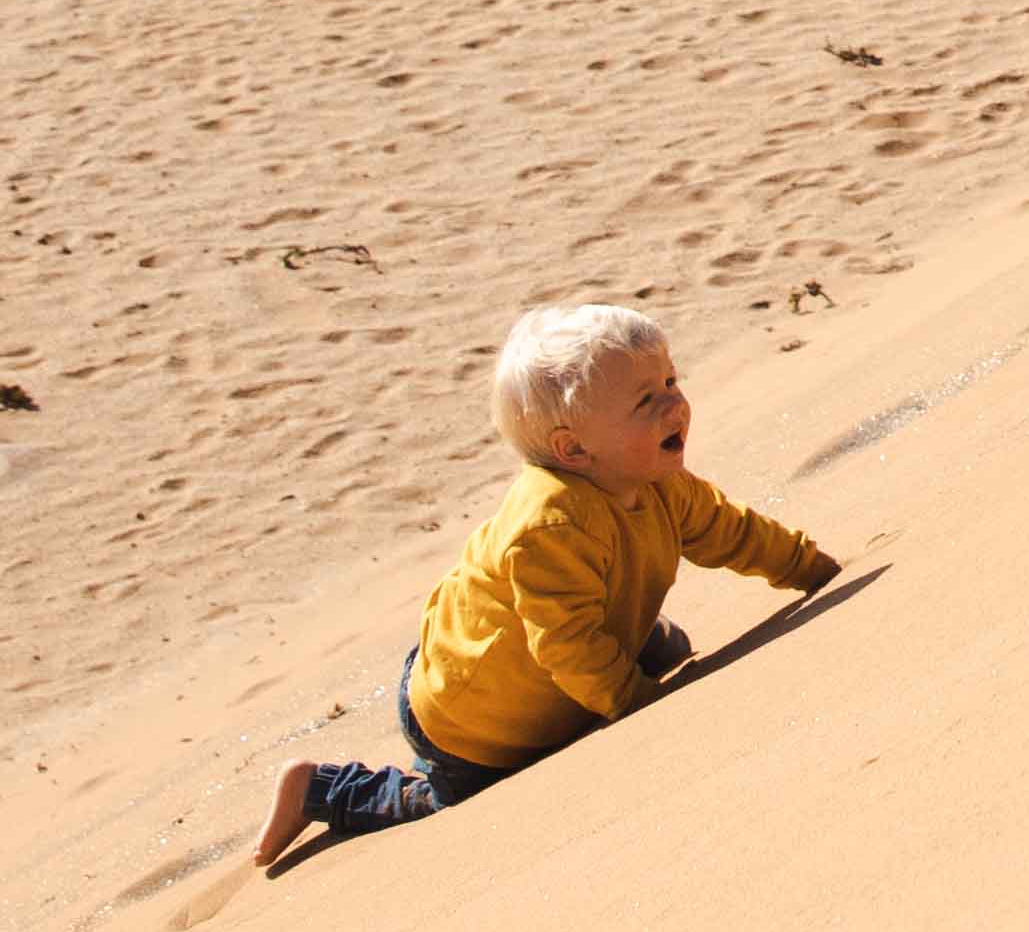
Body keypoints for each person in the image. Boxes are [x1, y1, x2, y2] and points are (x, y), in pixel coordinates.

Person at [252, 300, 838, 867]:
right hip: (475, 713)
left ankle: (631, 644)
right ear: (573, 448)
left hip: (553, 653)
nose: (674, 404)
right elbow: (567, 645)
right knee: (447, 798)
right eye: (646, 400)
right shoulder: (550, 526)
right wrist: (640, 705)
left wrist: (810, 567)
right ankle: (320, 789)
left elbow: (731, 531)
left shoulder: (657, 481)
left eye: (671, 380)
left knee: (658, 649)